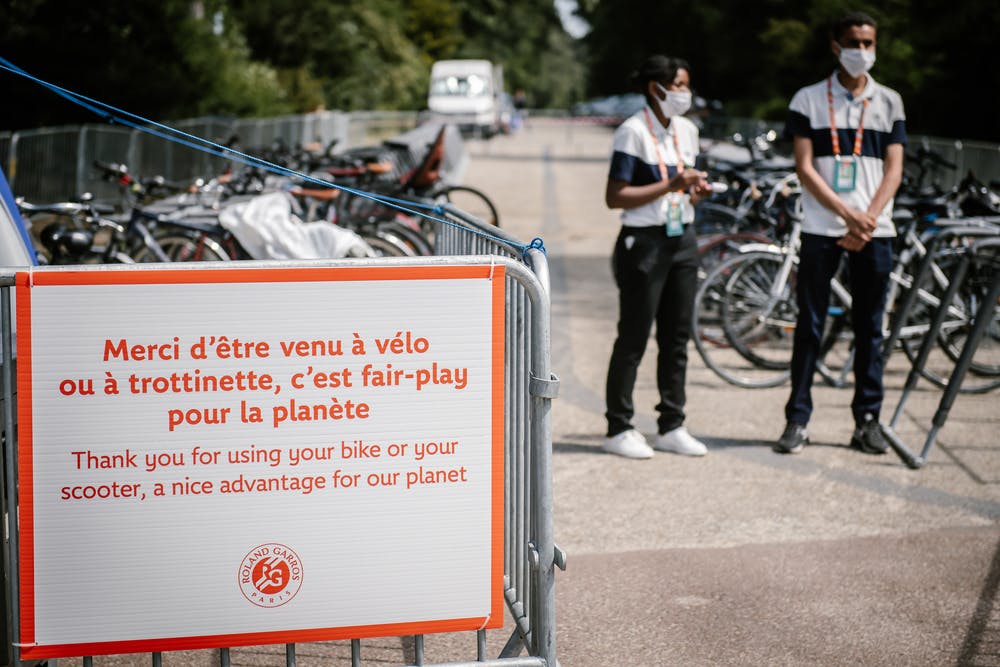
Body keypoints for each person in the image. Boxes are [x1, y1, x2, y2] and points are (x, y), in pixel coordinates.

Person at [775, 11, 906, 455]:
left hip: (876, 229)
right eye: (853, 42)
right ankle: (797, 419)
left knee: (870, 327)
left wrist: (866, 218)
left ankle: (867, 421)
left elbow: (895, 168)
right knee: (809, 326)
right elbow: (805, 167)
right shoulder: (808, 99)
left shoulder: (889, 101)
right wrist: (846, 214)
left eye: (869, 43)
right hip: (821, 226)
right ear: (835, 45)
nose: (862, 51)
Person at [602, 54, 713, 459]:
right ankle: (618, 426)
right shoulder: (631, 132)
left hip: (682, 235)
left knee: (677, 336)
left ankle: (672, 424)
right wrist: (671, 185)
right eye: (679, 85)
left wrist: (694, 191)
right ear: (657, 88)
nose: (685, 93)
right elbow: (615, 196)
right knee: (633, 336)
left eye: (686, 85)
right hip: (643, 241)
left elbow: (684, 185)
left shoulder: (688, 130)